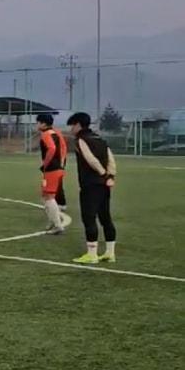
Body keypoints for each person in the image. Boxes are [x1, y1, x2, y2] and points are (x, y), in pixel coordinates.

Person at [67, 112, 118, 264]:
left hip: (91, 184)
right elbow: (111, 159)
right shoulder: (100, 139)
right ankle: (110, 253)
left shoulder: (81, 140)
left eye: (72, 125)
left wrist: (102, 173)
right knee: (105, 218)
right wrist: (110, 176)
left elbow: (91, 159)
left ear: (78, 125)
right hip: (104, 185)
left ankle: (92, 254)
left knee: (89, 218)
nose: (70, 129)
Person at [35, 114, 68, 234]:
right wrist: (62, 165)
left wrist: (46, 164)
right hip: (58, 168)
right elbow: (64, 149)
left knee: (48, 196)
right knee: (45, 195)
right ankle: (52, 221)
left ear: (43, 124)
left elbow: (52, 148)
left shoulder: (45, 135)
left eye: (38, 122)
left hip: (52, 169)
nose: (36, 125)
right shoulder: (57, 133)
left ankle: (58, 225)